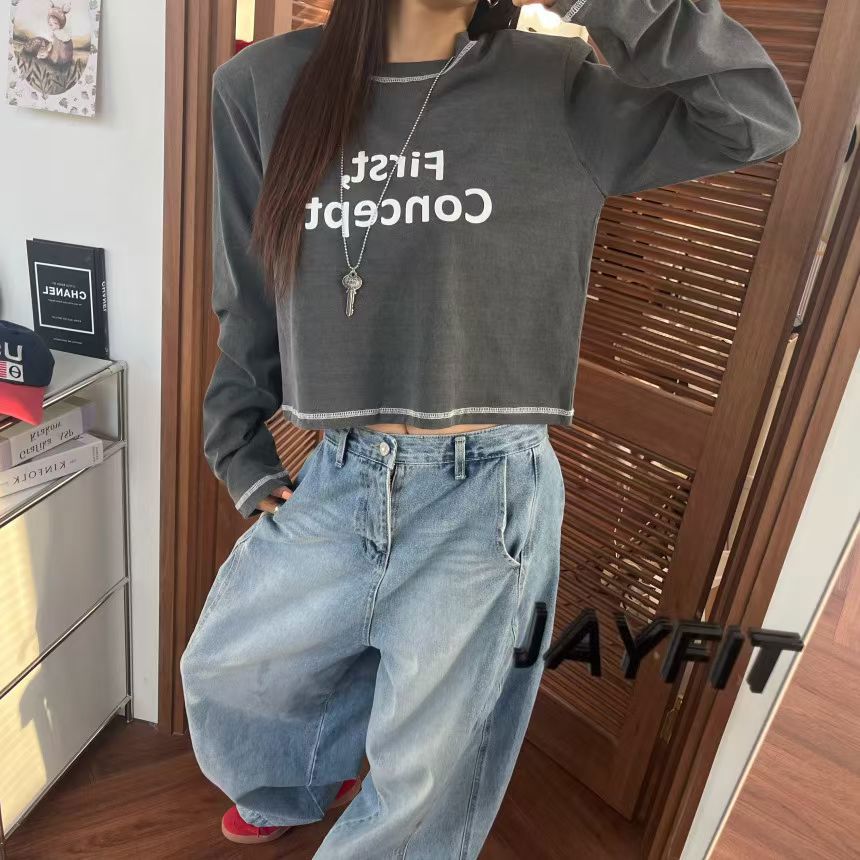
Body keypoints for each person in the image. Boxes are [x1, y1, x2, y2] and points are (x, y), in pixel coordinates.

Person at [179, 1, 801, 857]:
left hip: (488, 492)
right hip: (341, 469)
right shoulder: (261, 87)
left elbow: (755, 117)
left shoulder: (557, 87)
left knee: (428, 767)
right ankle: (300, 778)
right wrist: (238, 444)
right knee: (227, 671)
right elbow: (249, 287)